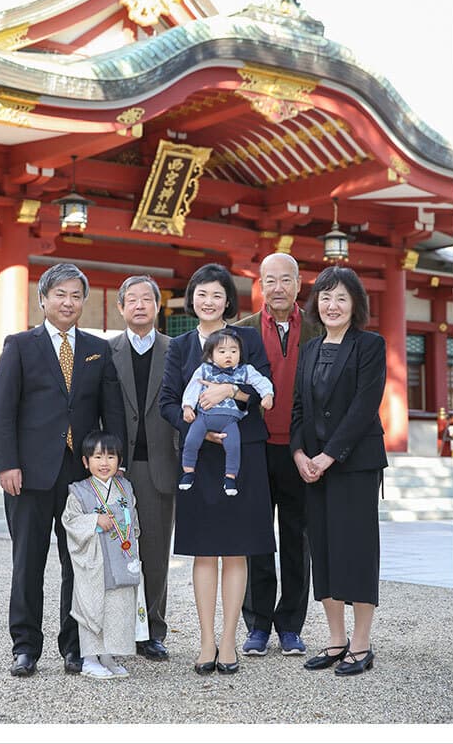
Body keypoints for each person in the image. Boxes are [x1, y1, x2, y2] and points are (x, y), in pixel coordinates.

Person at [0, 263, 127, 678]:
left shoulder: (96, 349)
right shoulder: (19, 345)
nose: (68, 302)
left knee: (80, 564)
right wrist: (7, 464)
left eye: (76, 296)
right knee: (27, 562)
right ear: (44, 299)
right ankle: (26, 647)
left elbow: (112, 413)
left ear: (83, 302)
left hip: (80, 479)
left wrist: (112, 467)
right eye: (60, 294)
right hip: (29, 475)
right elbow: (3, 410)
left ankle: (74, 647)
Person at [159, 263, 275, 675]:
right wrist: (196, 427)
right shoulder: (180, 347)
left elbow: (264, 388)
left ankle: (230, 640)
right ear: (192, 299)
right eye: (201, 294)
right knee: (204, 550)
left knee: (236, 548)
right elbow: (168, 402)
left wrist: (232, 390)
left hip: (241, 454)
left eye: (217, 295)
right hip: (199, 457)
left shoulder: (247, 339)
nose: (208, 302)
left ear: (229, 301)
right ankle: (206, 639)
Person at [290, 265, 387, 676]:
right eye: (326, 297)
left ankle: (361, 644)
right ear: (317, 304)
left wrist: (328, 456)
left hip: (354, 464)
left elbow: (365, 407)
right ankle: (335, 640)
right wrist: (299, 454)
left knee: (357, 551)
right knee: (324, 551)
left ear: (355, 305)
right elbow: (298, 407)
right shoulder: (310, 349)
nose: (332, 305)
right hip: (312, 465)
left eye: (341, 298)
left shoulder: (370, 345)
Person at [236, 252, 322, 657]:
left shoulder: (321, 329)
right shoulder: (243, 331)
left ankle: (290, 625)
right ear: (260, 285)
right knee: (256, 537)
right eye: (269, 280)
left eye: (285, 280)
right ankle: (257, 624)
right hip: (255, 446)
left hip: (300, 450)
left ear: (299, 283)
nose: (277, 288)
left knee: (295, 537)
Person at [109, 275, 180, 662]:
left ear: (157, 307)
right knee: (116, 552)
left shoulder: (177, 351)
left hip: (159, 467)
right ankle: (117, 631)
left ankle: (152, 630)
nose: (139, 305)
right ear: (121, 308)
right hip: (115, 470)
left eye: (146, 299)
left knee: (154, 553)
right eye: (131, 299)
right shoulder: (105, 351)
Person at [62, 430, 144, 679]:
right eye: (97, 457)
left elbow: (133, 517)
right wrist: (94, 520)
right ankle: (88, 658)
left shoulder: (125, 487)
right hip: (94, 559)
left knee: (117, 605)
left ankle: (107, 654)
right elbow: (70, 520)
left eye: (110, 457)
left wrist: (132, 539)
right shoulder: (79, 491)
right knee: (93, 605)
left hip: (120, 555)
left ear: (119, 460)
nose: (104, 463)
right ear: (86, 462)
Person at [180, 328, 274, 496]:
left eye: (233, 350)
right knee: (191, 441)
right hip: (204, 417)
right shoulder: (204, 370)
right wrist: (187, 406)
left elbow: (262, 382)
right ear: (211, 355)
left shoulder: (245, 370)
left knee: (233, 446)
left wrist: (267, 395)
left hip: (230, 421)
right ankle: (188, 471)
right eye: (222, 351)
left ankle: (230, 477)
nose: (228, 355)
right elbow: (192, 388)